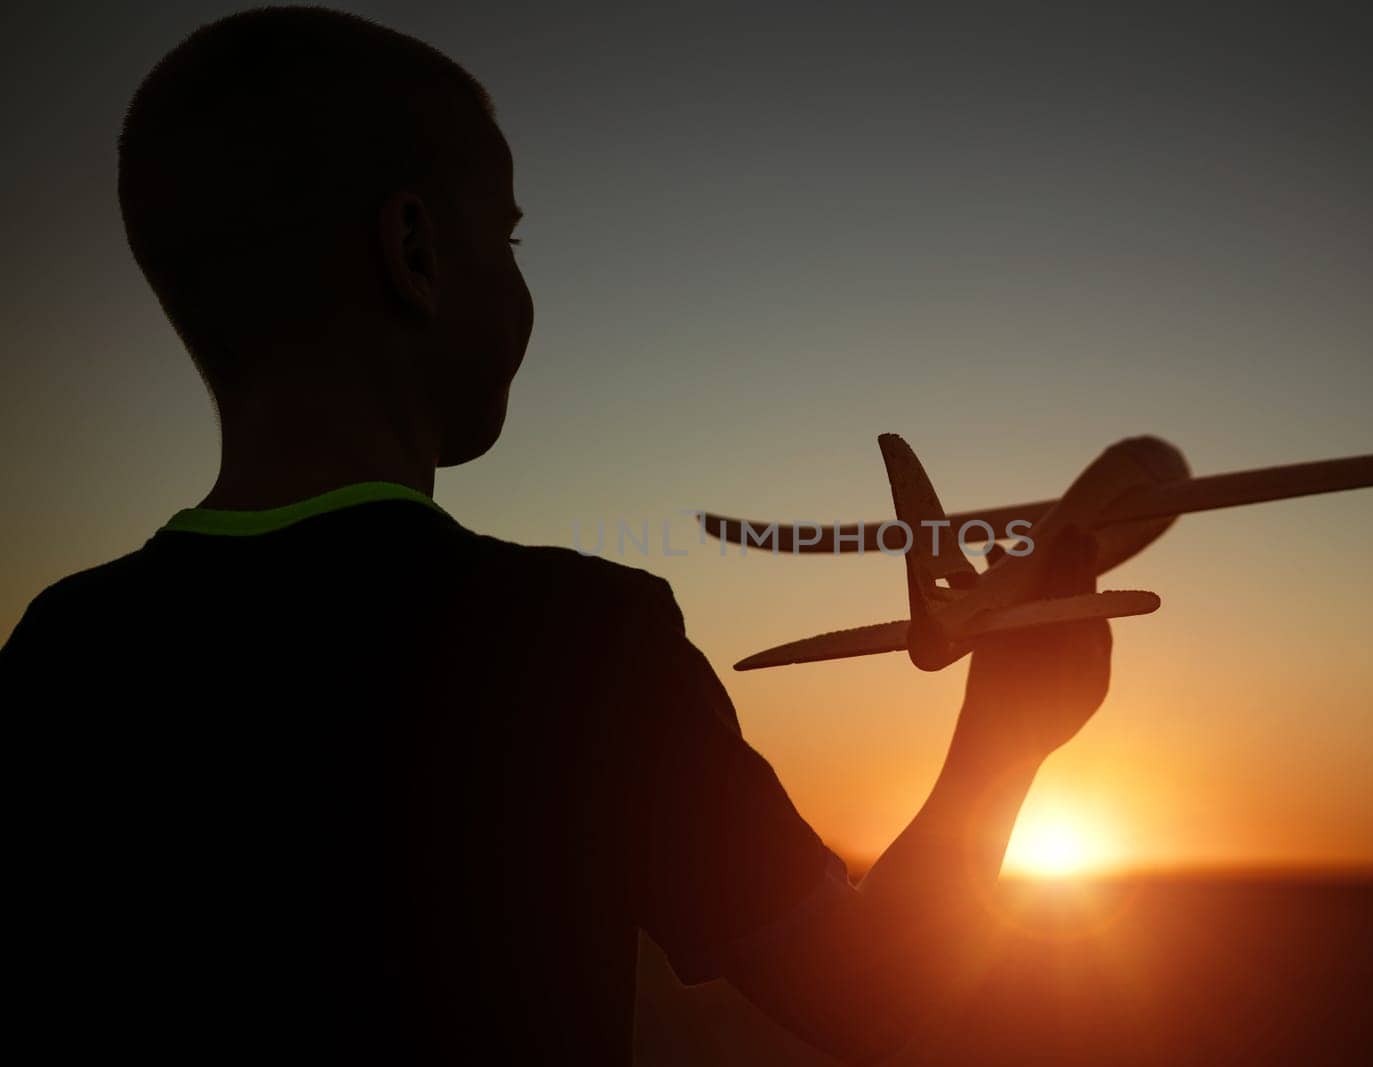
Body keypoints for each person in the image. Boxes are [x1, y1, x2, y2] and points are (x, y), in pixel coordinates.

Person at [0, 8, 1117, 1064]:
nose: (525, 283)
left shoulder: (60, 650)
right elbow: (868, 988)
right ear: (417, 250)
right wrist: (1004, 738)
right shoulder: (581, 644)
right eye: (510, 233)